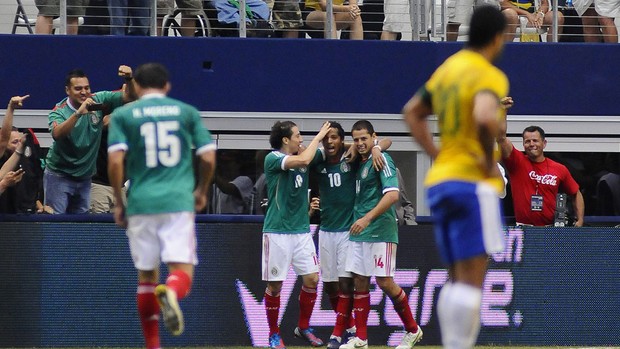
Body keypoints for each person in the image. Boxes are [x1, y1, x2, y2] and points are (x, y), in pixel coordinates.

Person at [402, 5, 508, 349]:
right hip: (472, 184)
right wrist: (486, 155)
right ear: (498, 36)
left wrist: (436, 154)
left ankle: (452, 344)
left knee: (455, 278)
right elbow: (483, 116)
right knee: (473, 278)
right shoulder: (489, 74)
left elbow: (412, 112)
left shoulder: (447, 69)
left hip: (441, 183)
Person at [107, 62, 217, 348]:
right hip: (177, 201)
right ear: (167, 86)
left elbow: (116, 161)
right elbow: (207, 157)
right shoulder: (186, 112)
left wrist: (120, 202)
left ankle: (153, 345)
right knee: (182, 273)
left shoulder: (123, 114)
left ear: (138, 87)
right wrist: (202, 190)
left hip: (141, 201)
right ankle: (170, 291)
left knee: (146, 274)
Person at [338, 120, 422, 349]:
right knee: (360, 281)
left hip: (379, 230)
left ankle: (413, 330)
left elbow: (393, 195)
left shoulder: (382, 159)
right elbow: (344, 145)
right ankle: (361, 339)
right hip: (360, 231)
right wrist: (361, 146)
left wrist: (366, 218)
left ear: (373, 136)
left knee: (385, 282)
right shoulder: (361, 158)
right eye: (356, 139)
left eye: (364, 138)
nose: (360, 143)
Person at [310, 121, 391, 349]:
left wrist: (375, 147)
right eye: (327, 138)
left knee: (347, 285)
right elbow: (303, 155)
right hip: (325, 231)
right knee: (330, 287)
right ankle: (351, 329)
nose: (330, 142)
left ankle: (337, 335)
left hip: (348, 231)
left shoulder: (352, 158)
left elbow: (387, 141)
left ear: (341, 139)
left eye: (334, 137)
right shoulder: (318, 160)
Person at [261, 120, 331, 349]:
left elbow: (337, 149)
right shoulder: (273, 158)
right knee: (275, 286)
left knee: (312, 278)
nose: (301, 139)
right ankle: (273, 334)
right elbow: (303, 159)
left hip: (301, 231)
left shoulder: (304, 155)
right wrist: (318, 137)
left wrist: (377, 145)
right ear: (285, 139)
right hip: (277, 232)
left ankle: (303, 327)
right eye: (298, 135)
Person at [44, 65, 134, 214]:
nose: (84, 92)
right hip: (60, 175)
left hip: (85, 178)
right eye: (78, 89)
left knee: (83, 226)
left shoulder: (98, 100)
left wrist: (129, 78)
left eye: (87, 88)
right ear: (68, 90)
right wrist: (78, 113)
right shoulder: (59, 111)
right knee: (56, 223)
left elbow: (129, 97)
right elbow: (57, 134)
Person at [498, 125, 585, 226]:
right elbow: (501, 138)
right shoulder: (517, 162)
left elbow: (575, 193)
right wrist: (503, 110)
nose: (531, 144)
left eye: (535, 140)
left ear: (544, 143)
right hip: (523, 229)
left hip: (550, 230)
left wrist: (580, 220)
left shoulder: (559, 168)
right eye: (527, 141)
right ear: (523, 144)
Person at [209, 150, 253, 214]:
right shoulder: (217, 184)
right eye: (222, 163)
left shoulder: (244, 180)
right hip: (218, 222)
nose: (225, 166)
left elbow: (228, 189)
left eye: (228, 162)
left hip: (236, 222)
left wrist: (213, 174)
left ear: (238, 164)